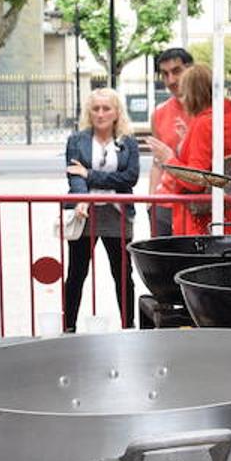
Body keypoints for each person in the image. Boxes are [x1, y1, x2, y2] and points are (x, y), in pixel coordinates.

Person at [63, 88, 140, 332]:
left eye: (106, 108)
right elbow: (74, 177)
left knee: (122, 275)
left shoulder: (128, 142)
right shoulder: (77, 140)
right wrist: (82, 197)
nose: (100, 113)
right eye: (95, 108)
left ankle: (129, 326)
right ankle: (68, 327)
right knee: (77, 272)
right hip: (85, 213)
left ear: (117, 112)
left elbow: (129, 178)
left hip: (117, 214)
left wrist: (90, 175)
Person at [149, 65, 231, 237]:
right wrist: (187, 140)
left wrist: (169, 159)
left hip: (204, 223)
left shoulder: (204, 123)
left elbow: (195, 180)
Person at [148, 47, 193, 237]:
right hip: (164, 203)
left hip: (196, 202)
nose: (171, 80)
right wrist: (150, 202)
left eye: (176, 71)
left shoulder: (209, 111)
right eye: (165, 74)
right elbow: (157, 162)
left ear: (190, 70)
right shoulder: (160, 112)